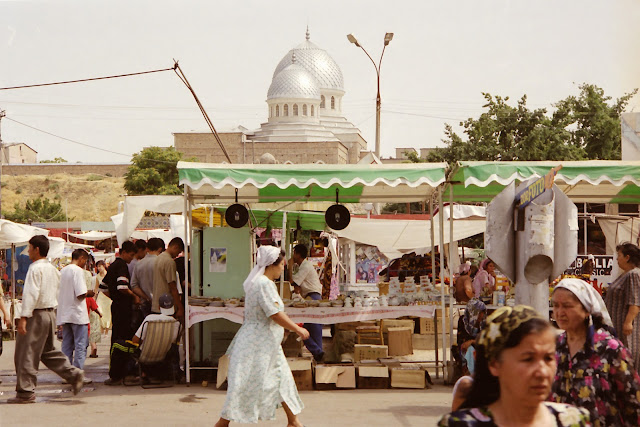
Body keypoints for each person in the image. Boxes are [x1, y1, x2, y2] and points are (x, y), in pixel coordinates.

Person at [438, 305, 590, 426]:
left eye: (548, 358)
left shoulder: (572, 420)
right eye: (528, 359)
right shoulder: (462, 424)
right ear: (494, 364)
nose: (542, 371)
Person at [215, 246, 308, 427]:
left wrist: (284, 328)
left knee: (282, 379)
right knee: (245, 384)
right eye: (282, 264)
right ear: (272, 265)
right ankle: (222, 423)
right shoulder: (264, 284)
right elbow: (274, 313)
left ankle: (294, 421)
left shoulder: (258, 283)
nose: (283, 268)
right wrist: (297, 329)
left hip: (265, 342)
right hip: (258, 344)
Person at [550, 278, 640, 426]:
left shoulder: (610, 349)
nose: (559, 312)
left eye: (567, 306)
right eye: (556, 306)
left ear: (586, 310)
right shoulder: (555, 346)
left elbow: (632, 401)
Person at [9, 235, 84, 403]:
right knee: (47, 351)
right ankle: (73, 374)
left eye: (29, 248)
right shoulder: (51, 268)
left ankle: (25, 392)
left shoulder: (35, 268)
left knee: (26, 353)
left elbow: (31, 294)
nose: (28, 251)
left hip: (36, 314)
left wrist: (23, 318)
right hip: (50, 314)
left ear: (36, 249)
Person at [605, 243, 640, 368]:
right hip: (617, 326)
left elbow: (635, 301)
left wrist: (628, 322)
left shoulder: (633, 274)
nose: (617, 259)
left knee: (627, 358)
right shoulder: (625, 274)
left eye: (619, 255)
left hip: (626, 329)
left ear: (627, 257)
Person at [57, 249, 91, 372]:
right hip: (77, 314)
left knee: (66, 346)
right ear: (81, 258)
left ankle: (67, 374)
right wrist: (90, 293)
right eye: (85, 261)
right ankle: (77, 373)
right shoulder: (77, 271)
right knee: (80, 346)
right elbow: (80, 293)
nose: (85, 264)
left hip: (65, 314)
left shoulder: (63, 271)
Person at [290, 243, 324, 361]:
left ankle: (318, 351)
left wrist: (289, 266)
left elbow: (293, 282)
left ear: (297, 254)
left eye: (294, 253)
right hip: (311, 297)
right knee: (311, 326)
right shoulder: (303, 266)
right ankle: (318, 352)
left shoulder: (305, 266)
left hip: (313, 297)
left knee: (312, 326)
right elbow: (296, 286)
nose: (293, 255)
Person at [103, 241, 138, 347]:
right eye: (131, 255)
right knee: (124, 335)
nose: (132, 258)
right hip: (123, 307)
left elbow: (103, 288)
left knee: (116, 333)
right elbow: (122, 287)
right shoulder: (122, 266)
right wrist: (134, 296)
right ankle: (123, 360)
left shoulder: (112, 265)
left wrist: (114, 296)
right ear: (124, 252)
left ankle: (115, 358)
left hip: (115, 305)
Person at [132, 237, 164, 319]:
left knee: (147, 328)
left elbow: (134, 286)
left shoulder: (138, 264)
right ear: (160, 249)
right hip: (161, 303)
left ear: (147, 248)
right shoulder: (163, 263)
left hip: (145, 303)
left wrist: (146, 297)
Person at [152, 237, 184, 319]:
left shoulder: (158, 258)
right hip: (167, 305)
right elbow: (173, 287)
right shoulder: (169, 262)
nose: (177, 255)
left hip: (156, 303)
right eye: (179, 252)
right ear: (175, 247)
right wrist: (180, 308)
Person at [94, 260, 111, 335]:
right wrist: (94, 297)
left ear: (104, 266)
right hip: (101, 296)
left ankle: (107, 329)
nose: (98, 268)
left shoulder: (109, 275)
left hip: (107, 297)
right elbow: (96, 288)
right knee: (100, 311)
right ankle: (101, 328)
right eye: (97, 266)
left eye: (100, 266)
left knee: (107, 312)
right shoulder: (97, 277)